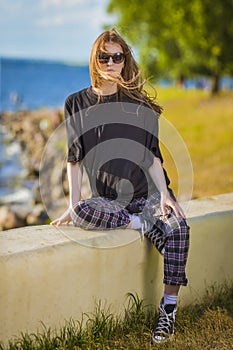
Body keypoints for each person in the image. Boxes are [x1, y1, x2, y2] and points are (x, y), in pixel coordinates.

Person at [51, 28, 190, 344]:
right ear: (95, 59)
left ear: (125, 60)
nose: (111, 62)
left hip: (146, 195)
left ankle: (168, 309)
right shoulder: (76, 103)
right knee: (82, 211)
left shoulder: (139, 105)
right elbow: (74, 158)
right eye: (105, 56)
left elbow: (153, 157)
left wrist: (166, 196)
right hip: (109, 202)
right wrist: (72, 205)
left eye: (118, 56)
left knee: (179, 228)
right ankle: (141, 225)